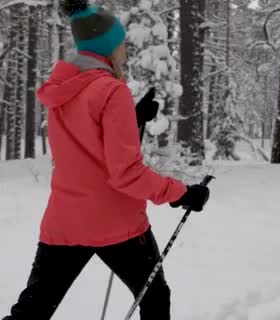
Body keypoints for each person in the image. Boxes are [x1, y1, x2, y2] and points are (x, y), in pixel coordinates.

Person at [2, 1, 209, 319]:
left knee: (31, 311)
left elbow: (87, 145)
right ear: (107, 48)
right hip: (117, 224)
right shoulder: (112, 91)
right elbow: (125, 173)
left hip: (65, 220)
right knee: (154, 299)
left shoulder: (62, 91)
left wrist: (133, 119)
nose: (124, 49)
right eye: (120, 42)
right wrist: (182, 193)